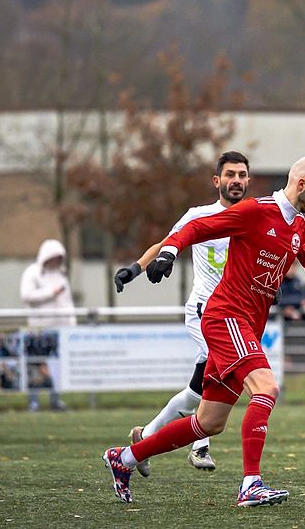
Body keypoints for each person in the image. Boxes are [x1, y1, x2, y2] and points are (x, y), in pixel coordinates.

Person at [101, 156, 305, 506]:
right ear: (301, 185)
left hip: (245, 324)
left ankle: (125, 458)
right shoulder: (255, 211)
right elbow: (198, 227)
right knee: (266, 387)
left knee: (208, 422)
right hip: (226, 317)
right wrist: (169, 252)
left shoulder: (296, 223)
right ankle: (251, 484)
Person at [114, 150, 251, 474]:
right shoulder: (199, 215)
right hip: (205, 310)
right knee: (221, 370)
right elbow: (167, 242)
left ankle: (144, 437)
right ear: (217, 181)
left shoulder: (254, 216)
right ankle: (200, 446)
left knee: (194, 393)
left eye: (242, 175)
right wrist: (134, 269)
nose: (236, 180)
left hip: (235, 315)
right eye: (230, 174)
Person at [20, 239, 73, 412]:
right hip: (38, 329)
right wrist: (51, 293)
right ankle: (34, 401)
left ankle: (55, 400)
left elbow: (67, 302)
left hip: (59, 330)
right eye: (53, 257)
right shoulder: (32, 273)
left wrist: (72, 322)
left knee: (56, 368)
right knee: (35, 366)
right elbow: (27, 296)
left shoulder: (61, 275)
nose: (55, 261)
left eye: (58, 258)